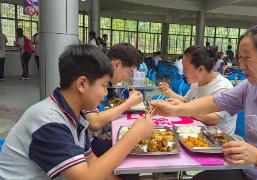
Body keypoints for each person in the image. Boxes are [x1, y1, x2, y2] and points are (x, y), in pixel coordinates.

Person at [151, 24, 257, 179]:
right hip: (249, 170)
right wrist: (175, 110)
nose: (241, 65)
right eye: (240, 58)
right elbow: (215, 102)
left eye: (247, 58)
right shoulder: (252, 86)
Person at [0, 44, 154, 179]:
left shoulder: (78, 117)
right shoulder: (48, 120)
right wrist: (135, 134)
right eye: (104, 86)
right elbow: (86, 177)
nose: (106, 93)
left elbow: (91, 161)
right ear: (82, 84)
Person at [158, 46, 236, 135]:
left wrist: (183, 108)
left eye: (186, 68)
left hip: (216, 139)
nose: (183, 71)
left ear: (201, 69)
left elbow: (213, 119)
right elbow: (186, 100)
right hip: (195, 131)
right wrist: (168, 92)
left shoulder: (223, 87)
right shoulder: (197, 82)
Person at [85, 43, 143, 157]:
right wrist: (128, 103)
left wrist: (103, 131)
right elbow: (93, 122)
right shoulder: (93, 79)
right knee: (132, 149)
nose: (127, 77)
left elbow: (97, 113)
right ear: (117, 64)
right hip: (87, 145)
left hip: (94, 137)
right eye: (129, 73)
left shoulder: (104, 80)